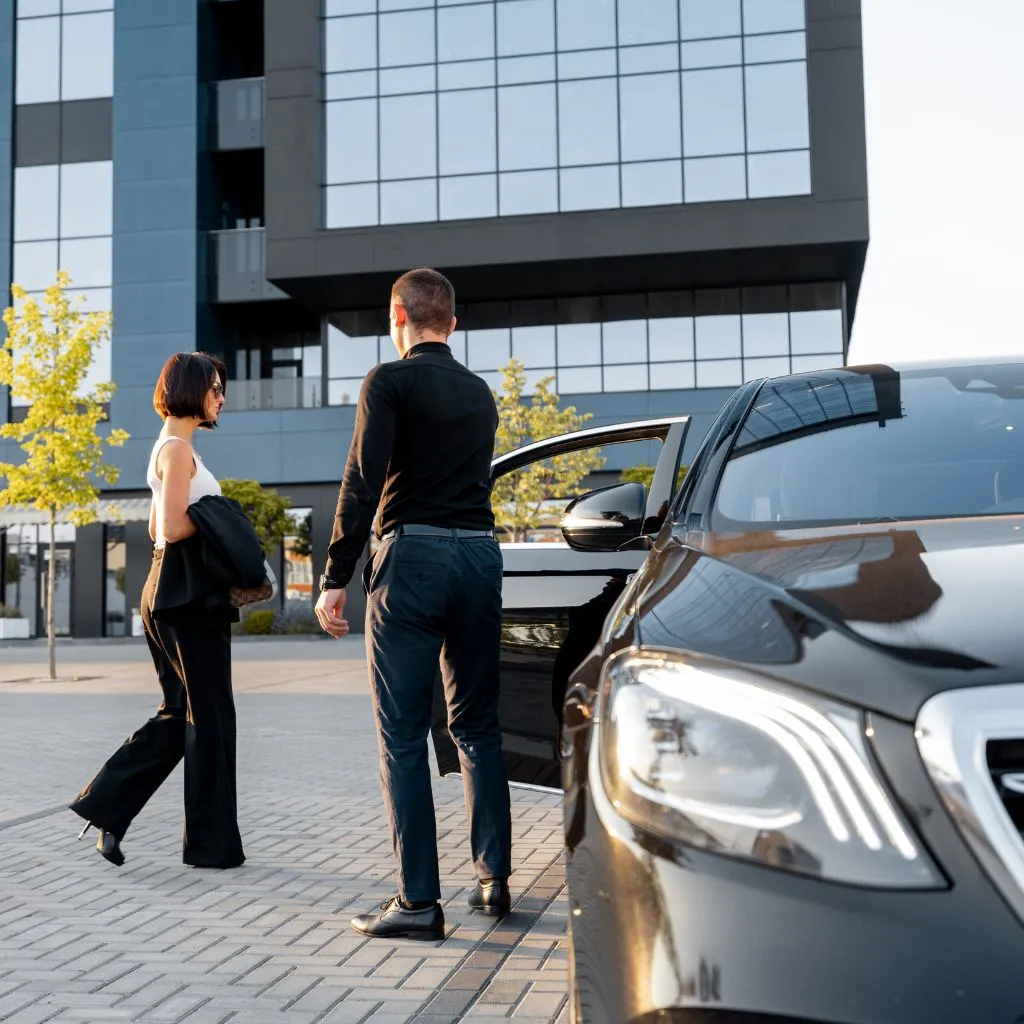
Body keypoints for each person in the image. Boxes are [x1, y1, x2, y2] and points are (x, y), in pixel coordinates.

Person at [315, 268, 512, 941]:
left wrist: (335, 575)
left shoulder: (388, 382)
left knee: (402, 734)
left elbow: (363, 480)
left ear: (398, 315)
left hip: (414, 559)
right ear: (451, 323)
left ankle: (419, 902)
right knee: (477, 725)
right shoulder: (480, 393)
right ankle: (493, 881)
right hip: (480, 558)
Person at [70, 352, 245, 870]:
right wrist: (221, 518)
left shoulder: (170, 447)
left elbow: (153, 531)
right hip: (186, 599)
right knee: (210, 719)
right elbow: (170, 527)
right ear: (192, 390)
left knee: (181, 713)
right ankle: (212, 847)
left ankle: (106, 808)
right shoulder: (177, 451)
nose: (221, 397)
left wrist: (203, 516)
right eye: (215, 388)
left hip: (167, 591)